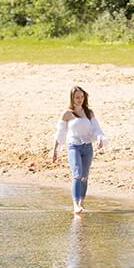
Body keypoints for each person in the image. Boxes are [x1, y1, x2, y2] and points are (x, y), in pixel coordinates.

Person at [53, 86, 106, 214]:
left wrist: (99, 138)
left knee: (84, 176)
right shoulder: (67, 114)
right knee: (77, 173)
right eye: (77, 97)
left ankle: (81, 202)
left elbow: (96, 128)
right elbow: (60, 133)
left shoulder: (89, 112)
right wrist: (55, 150)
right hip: (73, 147)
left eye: (82, 97)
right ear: (72, 98)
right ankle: (75, 204)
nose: (80, 100)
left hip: (87, 147)